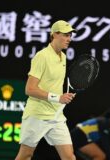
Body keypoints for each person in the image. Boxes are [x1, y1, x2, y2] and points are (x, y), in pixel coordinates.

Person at [15, 20, 77, 160]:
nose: (69, 39)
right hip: (37, 114)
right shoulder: (41, 56)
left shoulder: (63, 57)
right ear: (54, 34)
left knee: (69, 157)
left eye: (70, 35)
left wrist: (63, 97)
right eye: (65, 35)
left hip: (56, 116)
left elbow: (53, 85)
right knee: (25, 155)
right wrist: (57, 98)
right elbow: (30, 89)